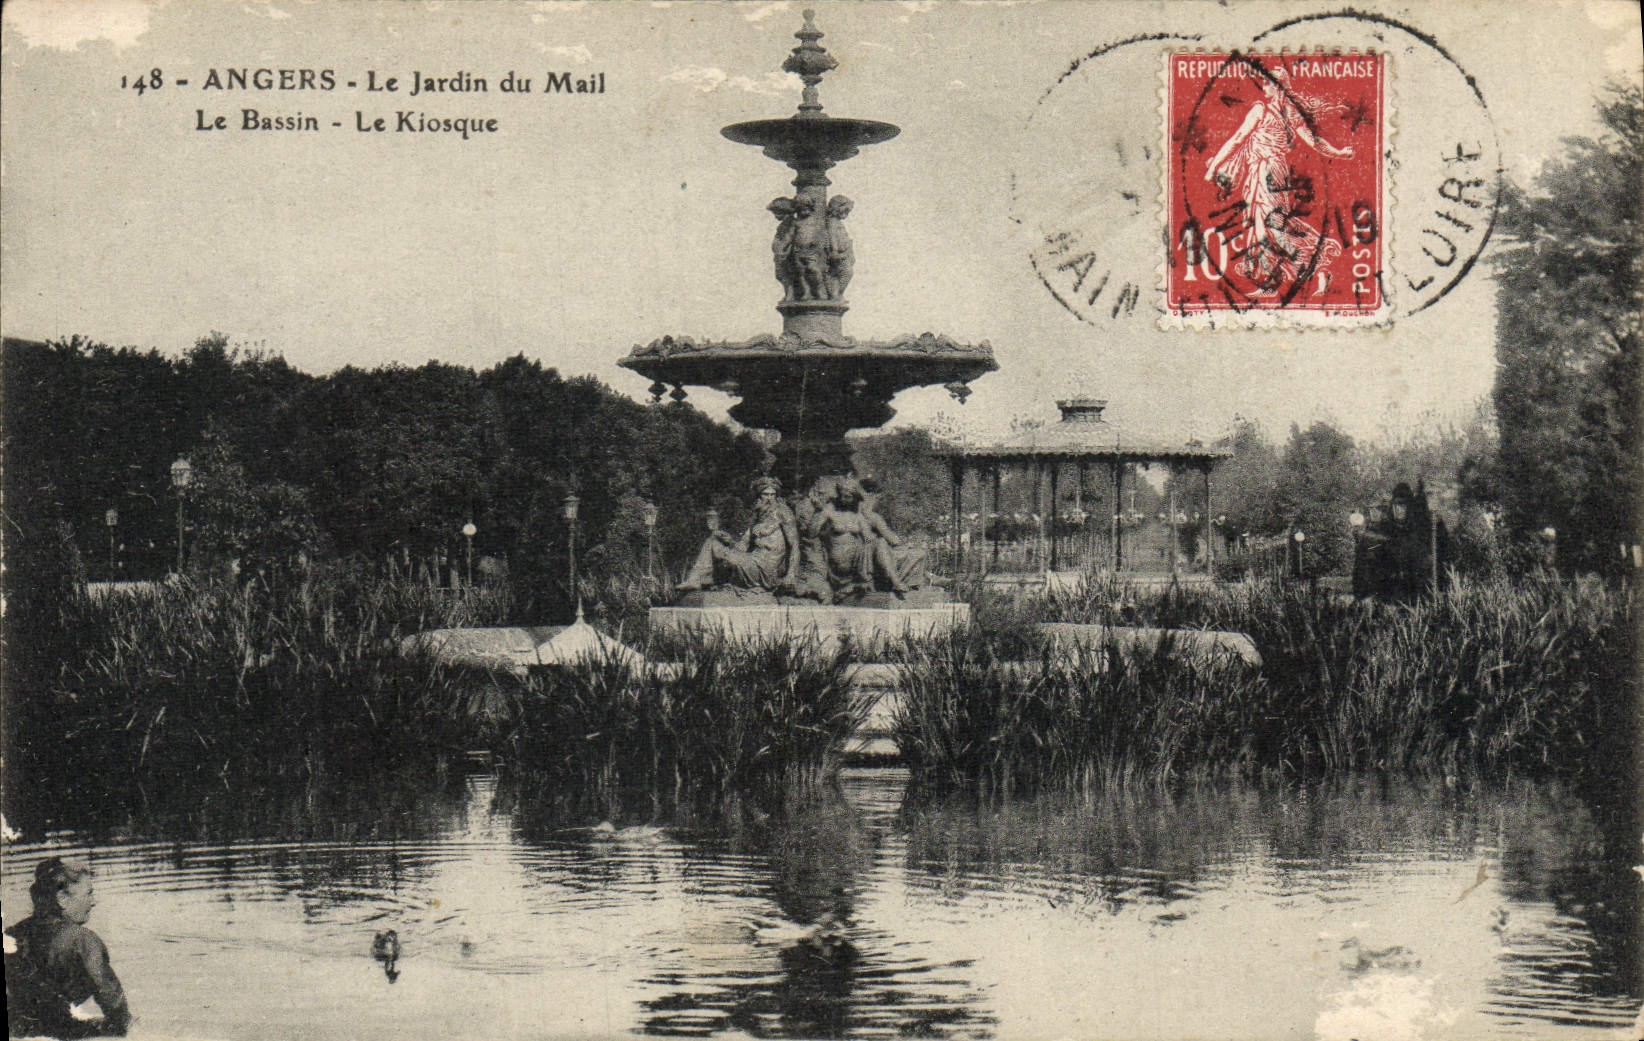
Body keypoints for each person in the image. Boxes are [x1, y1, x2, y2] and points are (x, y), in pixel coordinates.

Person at [1203, 62, 1352, 295]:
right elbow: (1315, 142)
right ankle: (1277, 281)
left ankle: (1315, 268)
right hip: (1275, 172)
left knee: (1267, 229)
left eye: (1269, 82)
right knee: (1269, 225)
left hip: (1265, 172)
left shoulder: (1261, 110)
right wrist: (1338, 152)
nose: (1264, 86)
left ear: (1279, 87)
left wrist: (1214, 166)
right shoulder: (1289, 114)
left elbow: (1236, 140)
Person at [5, 857, 131, 1038]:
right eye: (88, 894)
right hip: (61, 1033)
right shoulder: (83, 939)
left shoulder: (13, 933)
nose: (93, 902)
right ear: (62, 899)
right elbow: (112, 1000)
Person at [676, 476, 799, 594]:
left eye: (772, 495)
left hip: (766, 570)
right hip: (752, 561)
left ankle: (702, 578)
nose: (769, 498)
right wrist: (729, 540)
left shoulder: (784, 513)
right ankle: (696, 579)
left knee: (726, 558)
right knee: (713, 542)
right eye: (765, 494)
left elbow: (795, 546)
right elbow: (742, 547)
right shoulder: (757, 517)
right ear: (758, 496)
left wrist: (791, 574)